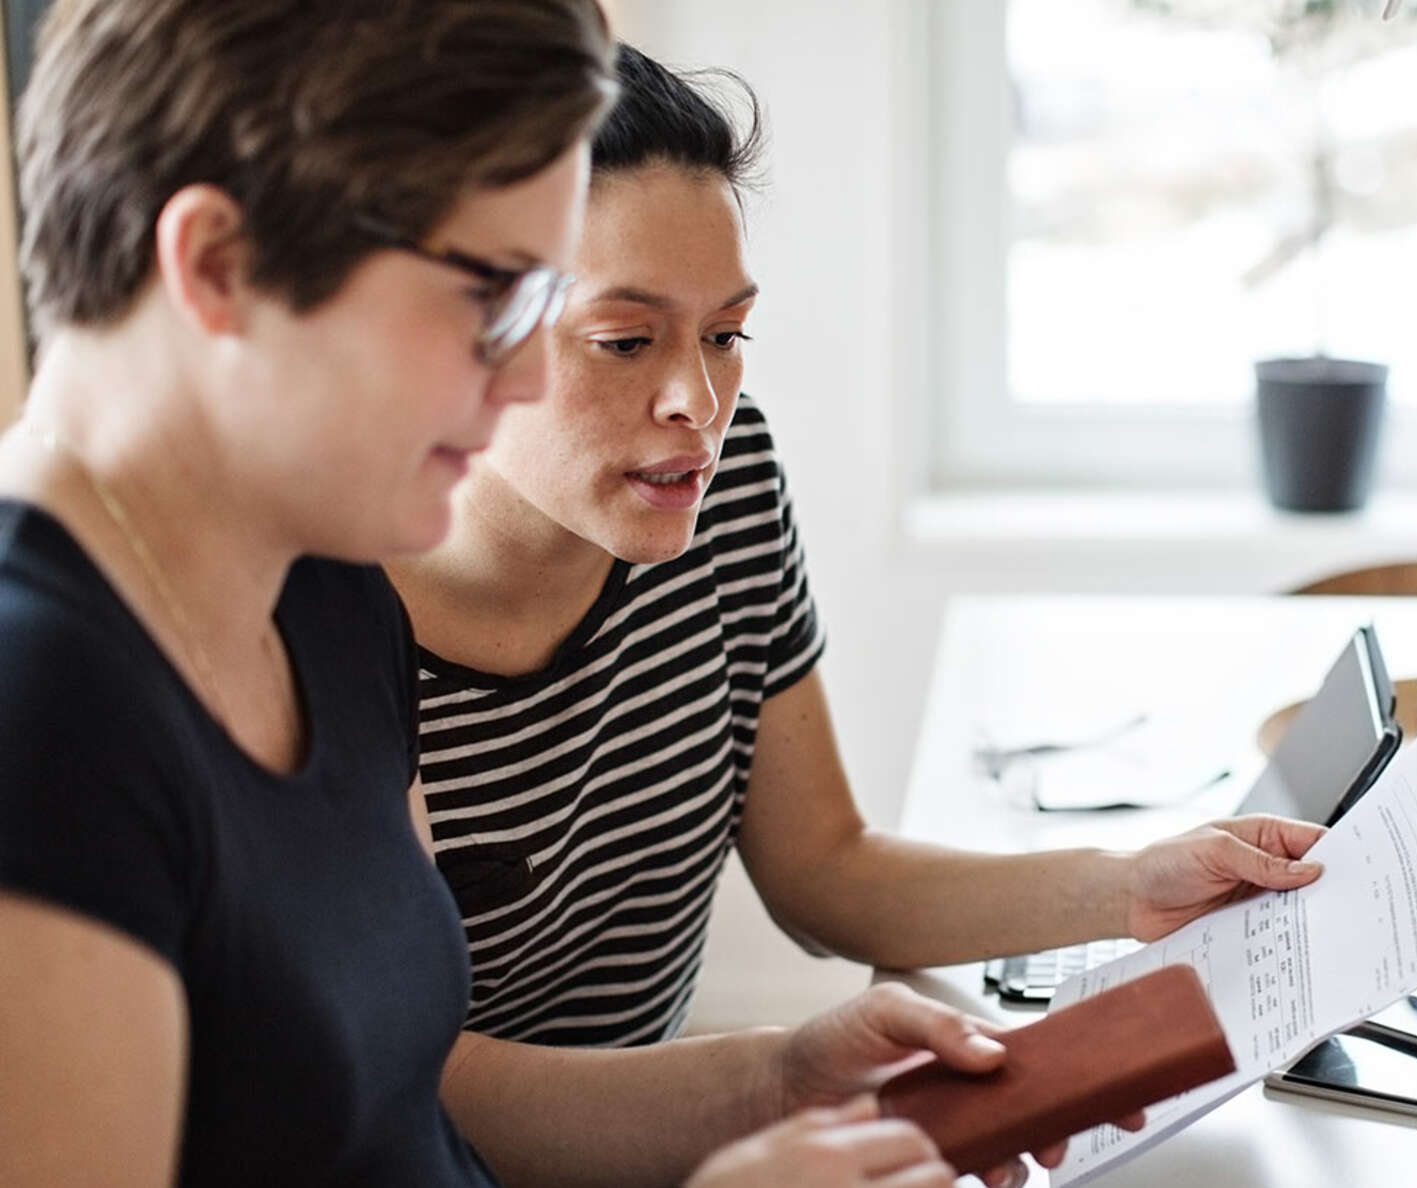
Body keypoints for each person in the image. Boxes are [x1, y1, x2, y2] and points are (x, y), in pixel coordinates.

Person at [0, 5, 1087, 1186]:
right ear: (217, 266)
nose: (522, 373)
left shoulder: (323, 594)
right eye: (485, 298)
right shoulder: (40, 709)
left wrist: (779, 1082)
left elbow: (420, 1110)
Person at [387, 41, 1329, 1058]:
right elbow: (413, 1090)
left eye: (725, 336)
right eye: (626, 341)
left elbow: (824, 872)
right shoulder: (333, 608)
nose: (696, 405)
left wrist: (1129, 882)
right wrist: (783, 1085)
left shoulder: (720, 474)